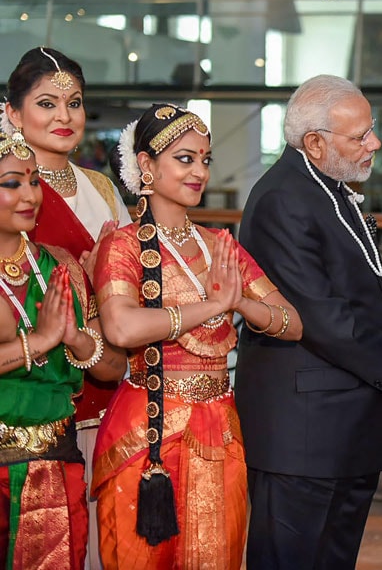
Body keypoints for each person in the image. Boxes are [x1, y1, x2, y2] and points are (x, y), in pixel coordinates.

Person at [235, 74, 382, 570]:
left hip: (342, 432)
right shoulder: (283, 198)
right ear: (314, 143)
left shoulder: (324, 187)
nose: (374, 143)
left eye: (371, 130)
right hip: (303, 440)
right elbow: (323, 319)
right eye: (360, 136)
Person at [90, 103, 302, 569]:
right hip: (149, 431)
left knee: (219, 555)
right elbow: (122, 327)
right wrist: (212, 306)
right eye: (185, 158)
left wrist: (241, 303)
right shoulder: (122, 245)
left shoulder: (220, 244)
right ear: (146, 165)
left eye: (205, 159)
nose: (199, 171)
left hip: (221, 429)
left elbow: (291, 322)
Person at [2, 47, 132, 568]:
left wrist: (103, 276)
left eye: (74, 103)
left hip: (90, 383)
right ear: (12, 112)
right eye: (47, 103)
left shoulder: (99, 186)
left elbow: (129, 289)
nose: (64, 116)